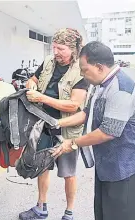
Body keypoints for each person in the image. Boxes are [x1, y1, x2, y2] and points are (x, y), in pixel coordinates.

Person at [51, 41, 135, 220]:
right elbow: (86, 114)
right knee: (102, 213)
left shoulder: (121, 89)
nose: (82, 74)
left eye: (84, 69)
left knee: (118, 215)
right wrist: (57, 123)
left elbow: (108, 132)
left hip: (122, 169)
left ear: (99, 67)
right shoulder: (100, 84)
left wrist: (72, 143)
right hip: (105, 165)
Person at [19, 28, 89, 220]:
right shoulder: (49, 61)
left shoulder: (81, 71)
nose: (56, 52)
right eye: (54, 47)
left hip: (66, 130)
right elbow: (33, 79)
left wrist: (42, 97)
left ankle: (69, 213)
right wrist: (31, 85)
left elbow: (74, 104)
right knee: (41, 167)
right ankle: (41, 207)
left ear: (74, 49)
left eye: (61, 49)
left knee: (68, 173)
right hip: (42, 126)